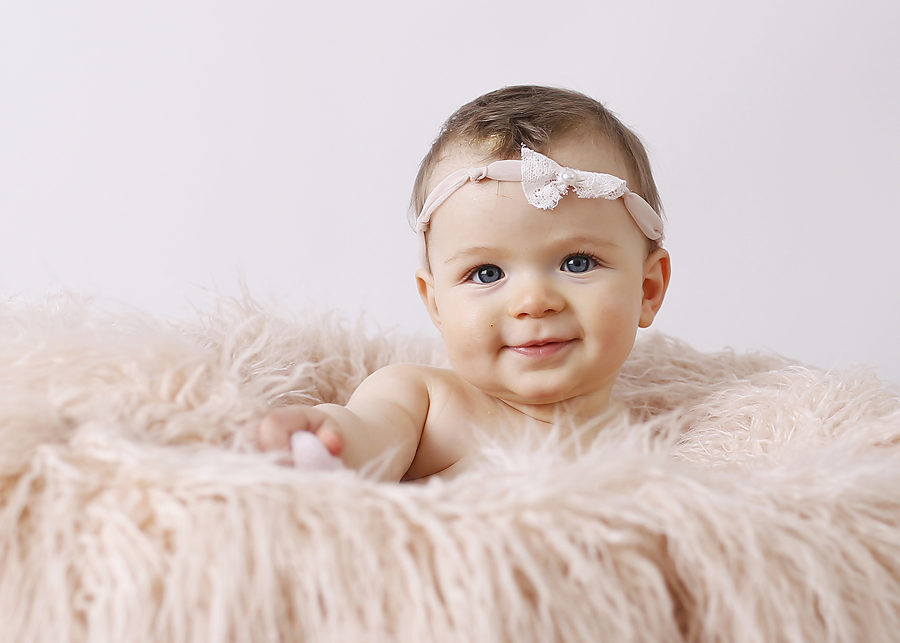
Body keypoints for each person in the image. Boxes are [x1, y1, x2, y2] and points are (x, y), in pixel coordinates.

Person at [258, 85, 671, 481]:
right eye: (487, 273)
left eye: (577, 263)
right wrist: (327, 443)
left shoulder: (654, 442)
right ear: (436, 303)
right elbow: (367, 436)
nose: (533, 302)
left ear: (647, 290)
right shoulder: (426, 402)